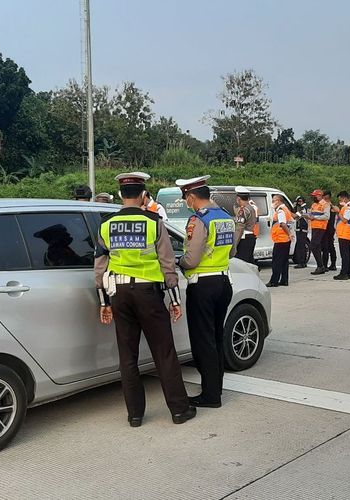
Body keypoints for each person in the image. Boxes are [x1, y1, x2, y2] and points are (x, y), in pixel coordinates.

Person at [93, 172, 195, 427]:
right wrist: (174, 298)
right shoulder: (154, 222)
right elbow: (167, 262)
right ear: (142, 195)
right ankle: (180, 410)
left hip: (119, 295)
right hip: (148, 293)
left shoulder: (106, 225)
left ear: (120, 195)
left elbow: (99, 267)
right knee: (164, 352)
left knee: (127, 356)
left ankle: (135, 415)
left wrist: (104, 302)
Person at [176, 175, 235, 408]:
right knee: (216, 338)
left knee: (204, 342)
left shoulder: (198, 220)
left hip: (202, 286)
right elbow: (232, 252)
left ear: (191, 196)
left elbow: (191, 259)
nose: (187, 204)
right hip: (223, 283)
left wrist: (178, 262)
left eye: (186, 199)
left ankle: (211, 396)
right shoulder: (226, 218)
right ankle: (215, 388)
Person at [267, 195, 294, 287]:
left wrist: (289, 233)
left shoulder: (280, 211)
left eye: (274, 201)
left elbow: (282, 224)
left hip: (280, 239)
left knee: (276, 261)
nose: (272, 203)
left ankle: (274, 281)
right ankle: (284, 280)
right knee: (284, 261)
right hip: (285, 239)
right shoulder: (286, 209)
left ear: (278, 201)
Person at [334, 191, 350, 280]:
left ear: (344, 198)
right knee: (347, 254)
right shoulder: (347, 206)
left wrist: (338, 212)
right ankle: (349, 272)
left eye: (340, 199)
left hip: (345, 233)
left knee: (345, 254)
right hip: (344, 233)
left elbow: (344, 220)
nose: (340, 201)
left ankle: (344, 273)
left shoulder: (348, 207)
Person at [306, 189, 330, 275]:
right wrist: (307, 216)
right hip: (314, 227)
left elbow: (327, 216)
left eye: (315, 196)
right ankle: (320, 266)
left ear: (320, 195)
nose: (313, 197)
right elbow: (311, 214)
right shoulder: (314, 204)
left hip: (320, 227)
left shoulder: (325, 204)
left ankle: (321, 266)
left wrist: (314, 218)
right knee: (317, 246)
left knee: (313, 245)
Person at [233, 186, 258, 264]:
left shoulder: (243, 210)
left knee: (242, 264)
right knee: (250, 263)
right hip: (251, 237)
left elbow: (239, 228)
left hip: (244, 239)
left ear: (238, 199)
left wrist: (235, 245)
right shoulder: (251, 208)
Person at [322, 190, 338, 271]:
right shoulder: (326, 205)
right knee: (328, 246)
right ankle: (330, 264)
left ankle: (328, 264)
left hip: (329, 229)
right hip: (327, 228)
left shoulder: (331, 206)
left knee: (328, 246)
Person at [292, 196, 310, 269]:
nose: (298, 203)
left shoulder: (304, 209)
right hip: (300, 229)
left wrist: (291, 209)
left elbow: (295, 216)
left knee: (301, 246)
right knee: (300, 245)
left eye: (299, 201)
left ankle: (302, 262)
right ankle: (302, 262)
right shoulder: (301, 208)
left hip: (302, 230)